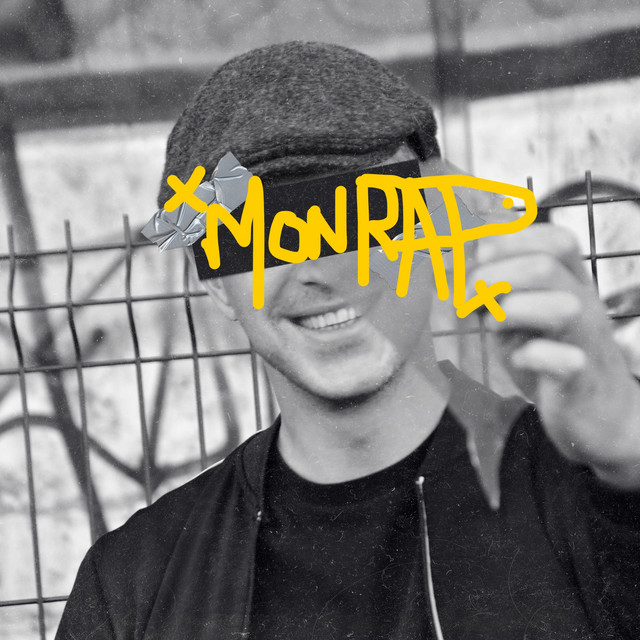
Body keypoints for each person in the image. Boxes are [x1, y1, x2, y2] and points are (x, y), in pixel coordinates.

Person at [56, 41, 640, 640]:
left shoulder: (596, 495)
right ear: (215, 286)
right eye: (264, 233)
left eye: (367, 214)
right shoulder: (132, 588)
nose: (326, 269)